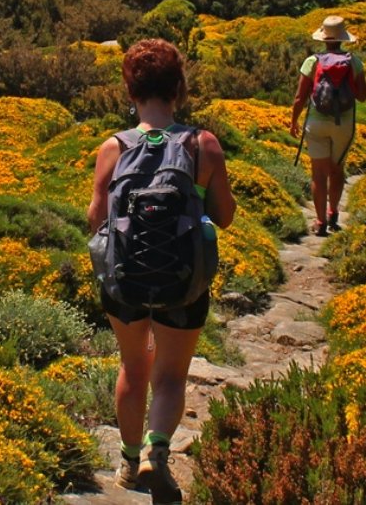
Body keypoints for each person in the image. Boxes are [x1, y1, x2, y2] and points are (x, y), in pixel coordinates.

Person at [88, 38, 236, 504]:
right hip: (183, 282)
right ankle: (158, 450)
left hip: (125, 281)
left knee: (134, 368)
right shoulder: (202, 143)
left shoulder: (112, 148)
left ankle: (130, 464)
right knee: (170, 377)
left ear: (129, 91)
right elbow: (225, 215)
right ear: (179, 88)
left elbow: (96, 220)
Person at [290, 16, 366, 236]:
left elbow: (299, 97)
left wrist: (293, 121)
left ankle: (320, 221)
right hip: (344, 123)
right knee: (337, 169)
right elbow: (362, 96)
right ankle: (334, 212)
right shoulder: (354, 61)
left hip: (316, 123)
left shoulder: (312, 61)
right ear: (343, 39)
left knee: (318, 174)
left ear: (323, 38)